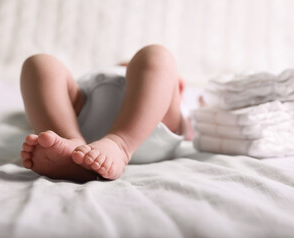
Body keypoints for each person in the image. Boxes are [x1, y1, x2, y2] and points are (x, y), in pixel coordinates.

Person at [19, 44, 188, 183]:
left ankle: (120, 144)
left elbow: (200, 128)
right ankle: (70, 146)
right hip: (79, 123)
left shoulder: (176, 95)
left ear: (179, 88)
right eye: (129, 65)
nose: (130, 68)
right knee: (41, 64)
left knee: (157, 55)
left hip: (150, 125)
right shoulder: (90, 80)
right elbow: (48, 100)